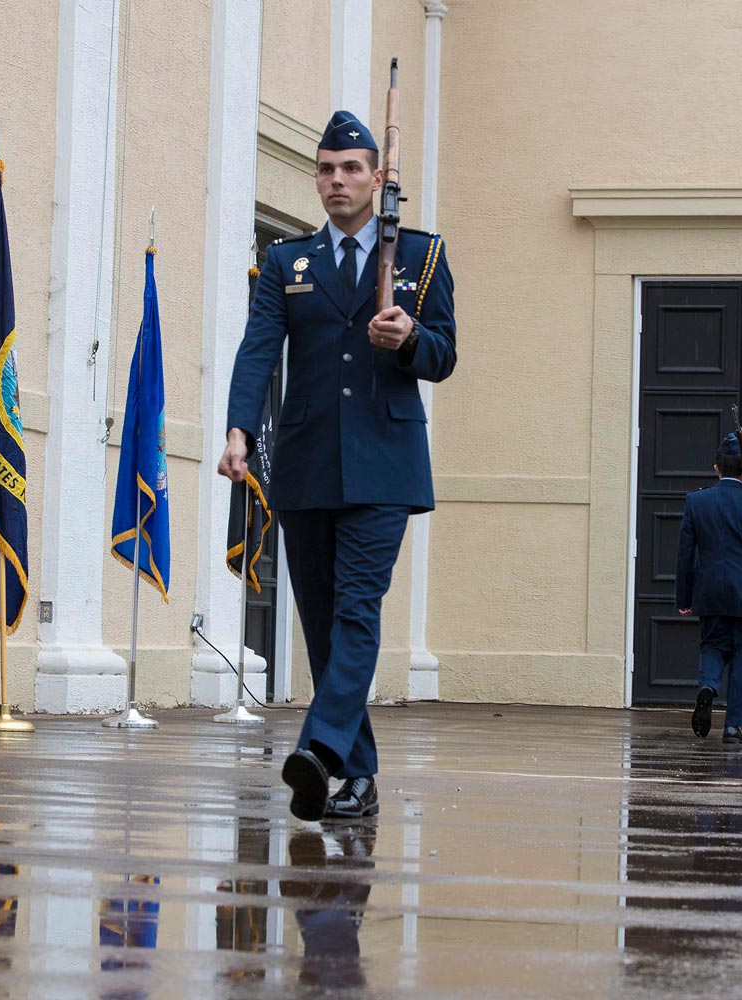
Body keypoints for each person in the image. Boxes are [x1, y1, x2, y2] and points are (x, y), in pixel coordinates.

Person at [217, 109, 457, 820]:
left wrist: (410, 335)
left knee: (357, 608)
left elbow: (445, 356)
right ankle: (359, 774)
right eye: (325, 169)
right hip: (307, 465)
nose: (336, 181)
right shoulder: (290, 263)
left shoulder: (421, 256)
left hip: (386, 465)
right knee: (322, 626)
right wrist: (238, 429)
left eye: (351, 168)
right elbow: (258, 347)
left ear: (378, 179)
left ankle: (319, 750)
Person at [675, 433, 742, 744]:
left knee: (712, 646)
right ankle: (733, 726)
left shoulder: (696, 502)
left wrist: (684, 597)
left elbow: (685, 555)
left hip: (710, 593)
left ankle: (708, 686)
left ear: (716, 468)